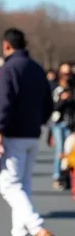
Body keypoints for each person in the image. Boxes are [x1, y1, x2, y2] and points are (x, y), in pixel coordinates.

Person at [0, 28, 55, 236]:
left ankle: (39, 230)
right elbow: (48, 103)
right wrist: (38, 122)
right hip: (32, 133)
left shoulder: (9, 68)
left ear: (7, 45)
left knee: (8, 185)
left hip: (13, 134)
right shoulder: (37, 68)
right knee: (23, 187)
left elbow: (3, 103)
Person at [51, 62, 75, 190]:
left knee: (69, 151)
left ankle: (69, 177)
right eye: (64, 73)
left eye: (69, 73)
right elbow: (53, 107)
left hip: (70, 123)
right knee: (60, 150)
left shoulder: (73, 88)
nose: (67, 76)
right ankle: (57, 176)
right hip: (58, 123)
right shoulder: (56, 88)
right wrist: (62, 99)